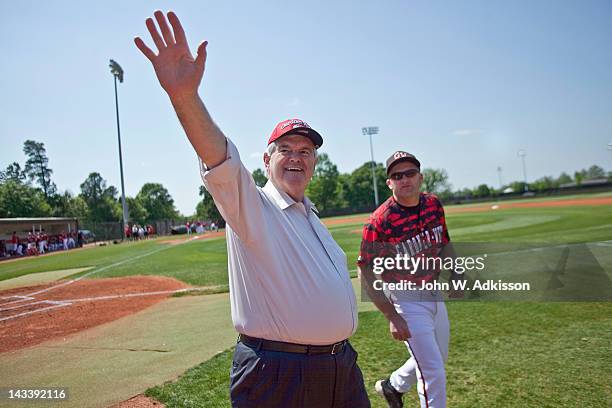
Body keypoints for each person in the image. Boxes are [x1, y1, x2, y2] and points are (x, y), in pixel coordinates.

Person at [135, 11, 369, 407]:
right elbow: (218, 157)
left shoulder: (311, 217)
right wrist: (184, 95)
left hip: (340, 368)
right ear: (266, 159)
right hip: (279, 374)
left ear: (314, 163)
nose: (296, 158)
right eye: (286, 150)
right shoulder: (253, 208)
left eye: (306, 152)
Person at [357, 151, 463, 408]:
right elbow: (365, 270)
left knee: (439, 357)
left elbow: (444, 242)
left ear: (421, 177)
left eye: (410, 173)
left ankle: (393, 386)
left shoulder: (433, 204)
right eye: (397, 175)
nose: (404, 179)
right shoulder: (380, 221)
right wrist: (392, 315)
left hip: (433, 292)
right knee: (433, 372)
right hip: (405, 299)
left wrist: (457, 273)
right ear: (389, 183)